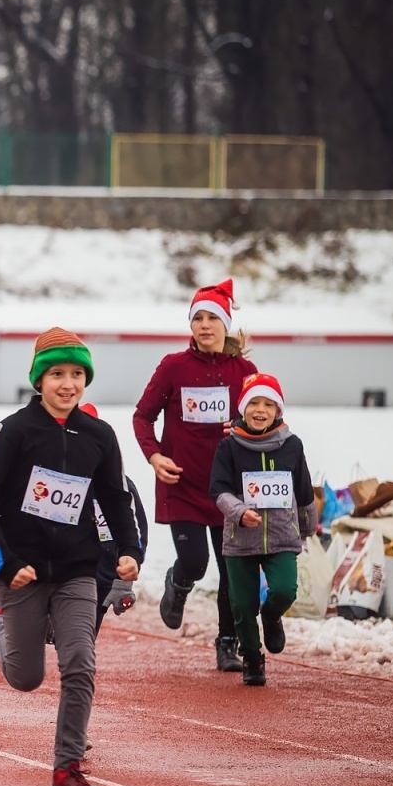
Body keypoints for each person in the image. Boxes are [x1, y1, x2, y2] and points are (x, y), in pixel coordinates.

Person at [0, 328, 140, 786]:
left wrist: (129, 550)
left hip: (78, 570)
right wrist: (5, 559)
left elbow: (118, 499)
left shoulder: (98, 435)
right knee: (25, 677)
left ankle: (67, 768)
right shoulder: (16, 429)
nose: (67, 383)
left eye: (77, 374)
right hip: (23, 571)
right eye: (57, 373)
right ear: (39, 379)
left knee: (80, 661)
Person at [133, 279, 257, 672]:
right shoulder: (174, 366)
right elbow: (142, 416)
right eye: (197, 318)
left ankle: (227, 643)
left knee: (230, 571)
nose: (204, 325)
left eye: (212, 318)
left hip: (227, 488)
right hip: (182, 482)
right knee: (195, 560)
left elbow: (266, 421)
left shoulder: (245, 371)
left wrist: (241, 428)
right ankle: (179, 581)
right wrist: (154, 457)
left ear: (226, 324)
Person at [208, 373, 316, 686]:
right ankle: (252, 657)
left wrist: (308, 529)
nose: (260, 410)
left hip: (282, 535)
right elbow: (218, 490)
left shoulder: (292, 445)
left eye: (268, 404)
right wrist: (239, 512)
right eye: (253, 403)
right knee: (241, 605)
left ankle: (271, 616)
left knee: (284, 589)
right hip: (240, 537)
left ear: (277, 410)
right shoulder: (228, 447)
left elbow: (304, 490)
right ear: (242, 408)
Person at [74, 404, 149, 635]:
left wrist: (123, 581)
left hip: (102, 582)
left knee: (81, 646)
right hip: (60, 579)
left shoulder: (121, 486)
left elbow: (136, 535)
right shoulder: (54, 481)